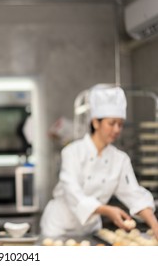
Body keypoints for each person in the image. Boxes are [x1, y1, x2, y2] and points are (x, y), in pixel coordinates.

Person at [40, 84, 158, 240]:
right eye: (111, 123)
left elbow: (134, 194)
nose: (116, 130)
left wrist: (155, 225)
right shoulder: (72, 152)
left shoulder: (120, 159)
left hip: (90, 231)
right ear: (95, 122)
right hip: (58, 228)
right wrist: (107, 210)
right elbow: (73, 193)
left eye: (120, 124)